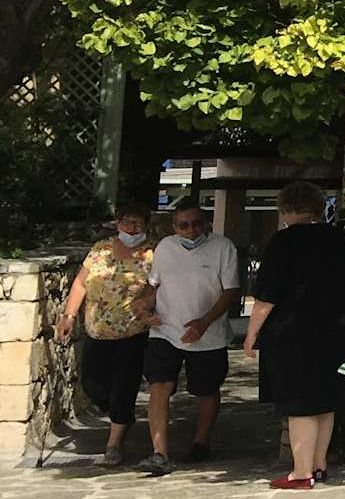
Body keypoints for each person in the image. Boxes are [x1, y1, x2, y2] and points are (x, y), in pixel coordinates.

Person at [243, 180, 345, 489]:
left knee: (299, 403)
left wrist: (251, 333)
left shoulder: (283, 242)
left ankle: (301, 472)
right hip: (336, 331)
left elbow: (266, 296)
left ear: (285, 208)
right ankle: (319, 465)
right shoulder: (340, 239)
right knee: (326, 401)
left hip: (292, 334)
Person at [140, 198, 243, 475]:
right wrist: (144, 308)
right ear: (174, 227)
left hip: (209, 334)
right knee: (159, 385)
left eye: (196, 224)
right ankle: (159, 452)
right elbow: (154, 284)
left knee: (206, 389)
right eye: (183, 226)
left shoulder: (223, 247)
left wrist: (204, 322)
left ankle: (201, 441)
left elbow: (231, 290)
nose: (191, 230)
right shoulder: (165, 247)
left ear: (205, 223)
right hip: (165, 329)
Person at [56, 201, 158, 466]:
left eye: (137, 223)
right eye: (126, 222)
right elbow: (80, 283)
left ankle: (114, 442)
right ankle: (120, 415)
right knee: (93, 385)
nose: (131, 228)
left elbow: (160, 287)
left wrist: (148, 305)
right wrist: (69, 316)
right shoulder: (101, 248)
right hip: (97, 331)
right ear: (117, 223)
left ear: (146, 225)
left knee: (124, 385)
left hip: (133, 332)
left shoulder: (154, 253)